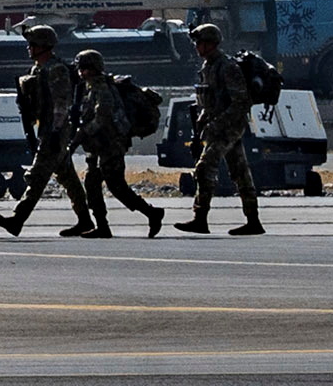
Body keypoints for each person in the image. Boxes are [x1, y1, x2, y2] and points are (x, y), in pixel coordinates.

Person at [0, 21, 105, 237]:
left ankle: (18, 218)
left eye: (32, 43)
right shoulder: (38, 69)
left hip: (56, 130)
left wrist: (55, 132)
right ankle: (84, 220)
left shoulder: (57, 70)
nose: (29, 48)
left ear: (43, 45)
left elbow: (62, 104)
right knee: (68, 178)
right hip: (47, 128)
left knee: (38, 175)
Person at [180, 13, 268, 236]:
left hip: (229, 126)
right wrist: (202, 122)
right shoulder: (208, 67)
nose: (197, 47)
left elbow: (241, 101)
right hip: (217, 125)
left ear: (210, 44)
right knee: (240, 171)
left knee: (204, 167)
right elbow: (209, 100)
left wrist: (218, 124)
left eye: (200, 43)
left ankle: (200, 218)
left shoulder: (226, 67)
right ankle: (253, 221)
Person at [73, 49, 164, 240]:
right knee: (91, 183)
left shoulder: (102, 89)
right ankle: (102, 226)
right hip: (98, 145)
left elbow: (103, 116)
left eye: (85, 69)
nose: (82, 72)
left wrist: (83, 133)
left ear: (95, 68)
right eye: (80, 69)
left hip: (111, 144)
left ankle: (151, 213)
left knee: (117, 186)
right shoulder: (90, 88)